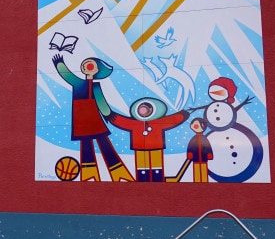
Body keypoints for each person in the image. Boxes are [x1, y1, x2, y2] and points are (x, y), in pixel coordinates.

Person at [52, 54, 134, 182]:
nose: (86, 65)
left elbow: (102, 103)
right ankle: (89, 173)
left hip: (94, 120)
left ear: (96, 71)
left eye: (90, 65)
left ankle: (118, 171)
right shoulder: (78, 83)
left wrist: (109, 115)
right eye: (86, 63)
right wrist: (60, 64)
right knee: (86, 146)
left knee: (104, 142)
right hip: (81, 121)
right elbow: (67, 75)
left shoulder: (96, 86)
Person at [107, 97, 190, 182]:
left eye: (146, 108)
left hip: (156, 147)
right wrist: (108, 113)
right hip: (139, 148)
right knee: (141, 168)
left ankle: (157, 179)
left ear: (152, 109)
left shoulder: (159, 122)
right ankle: (142, 180)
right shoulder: (134, 123)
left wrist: (184, 113)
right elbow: (119, 120)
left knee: (157, 167)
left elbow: (175, 119)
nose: (143, 111)